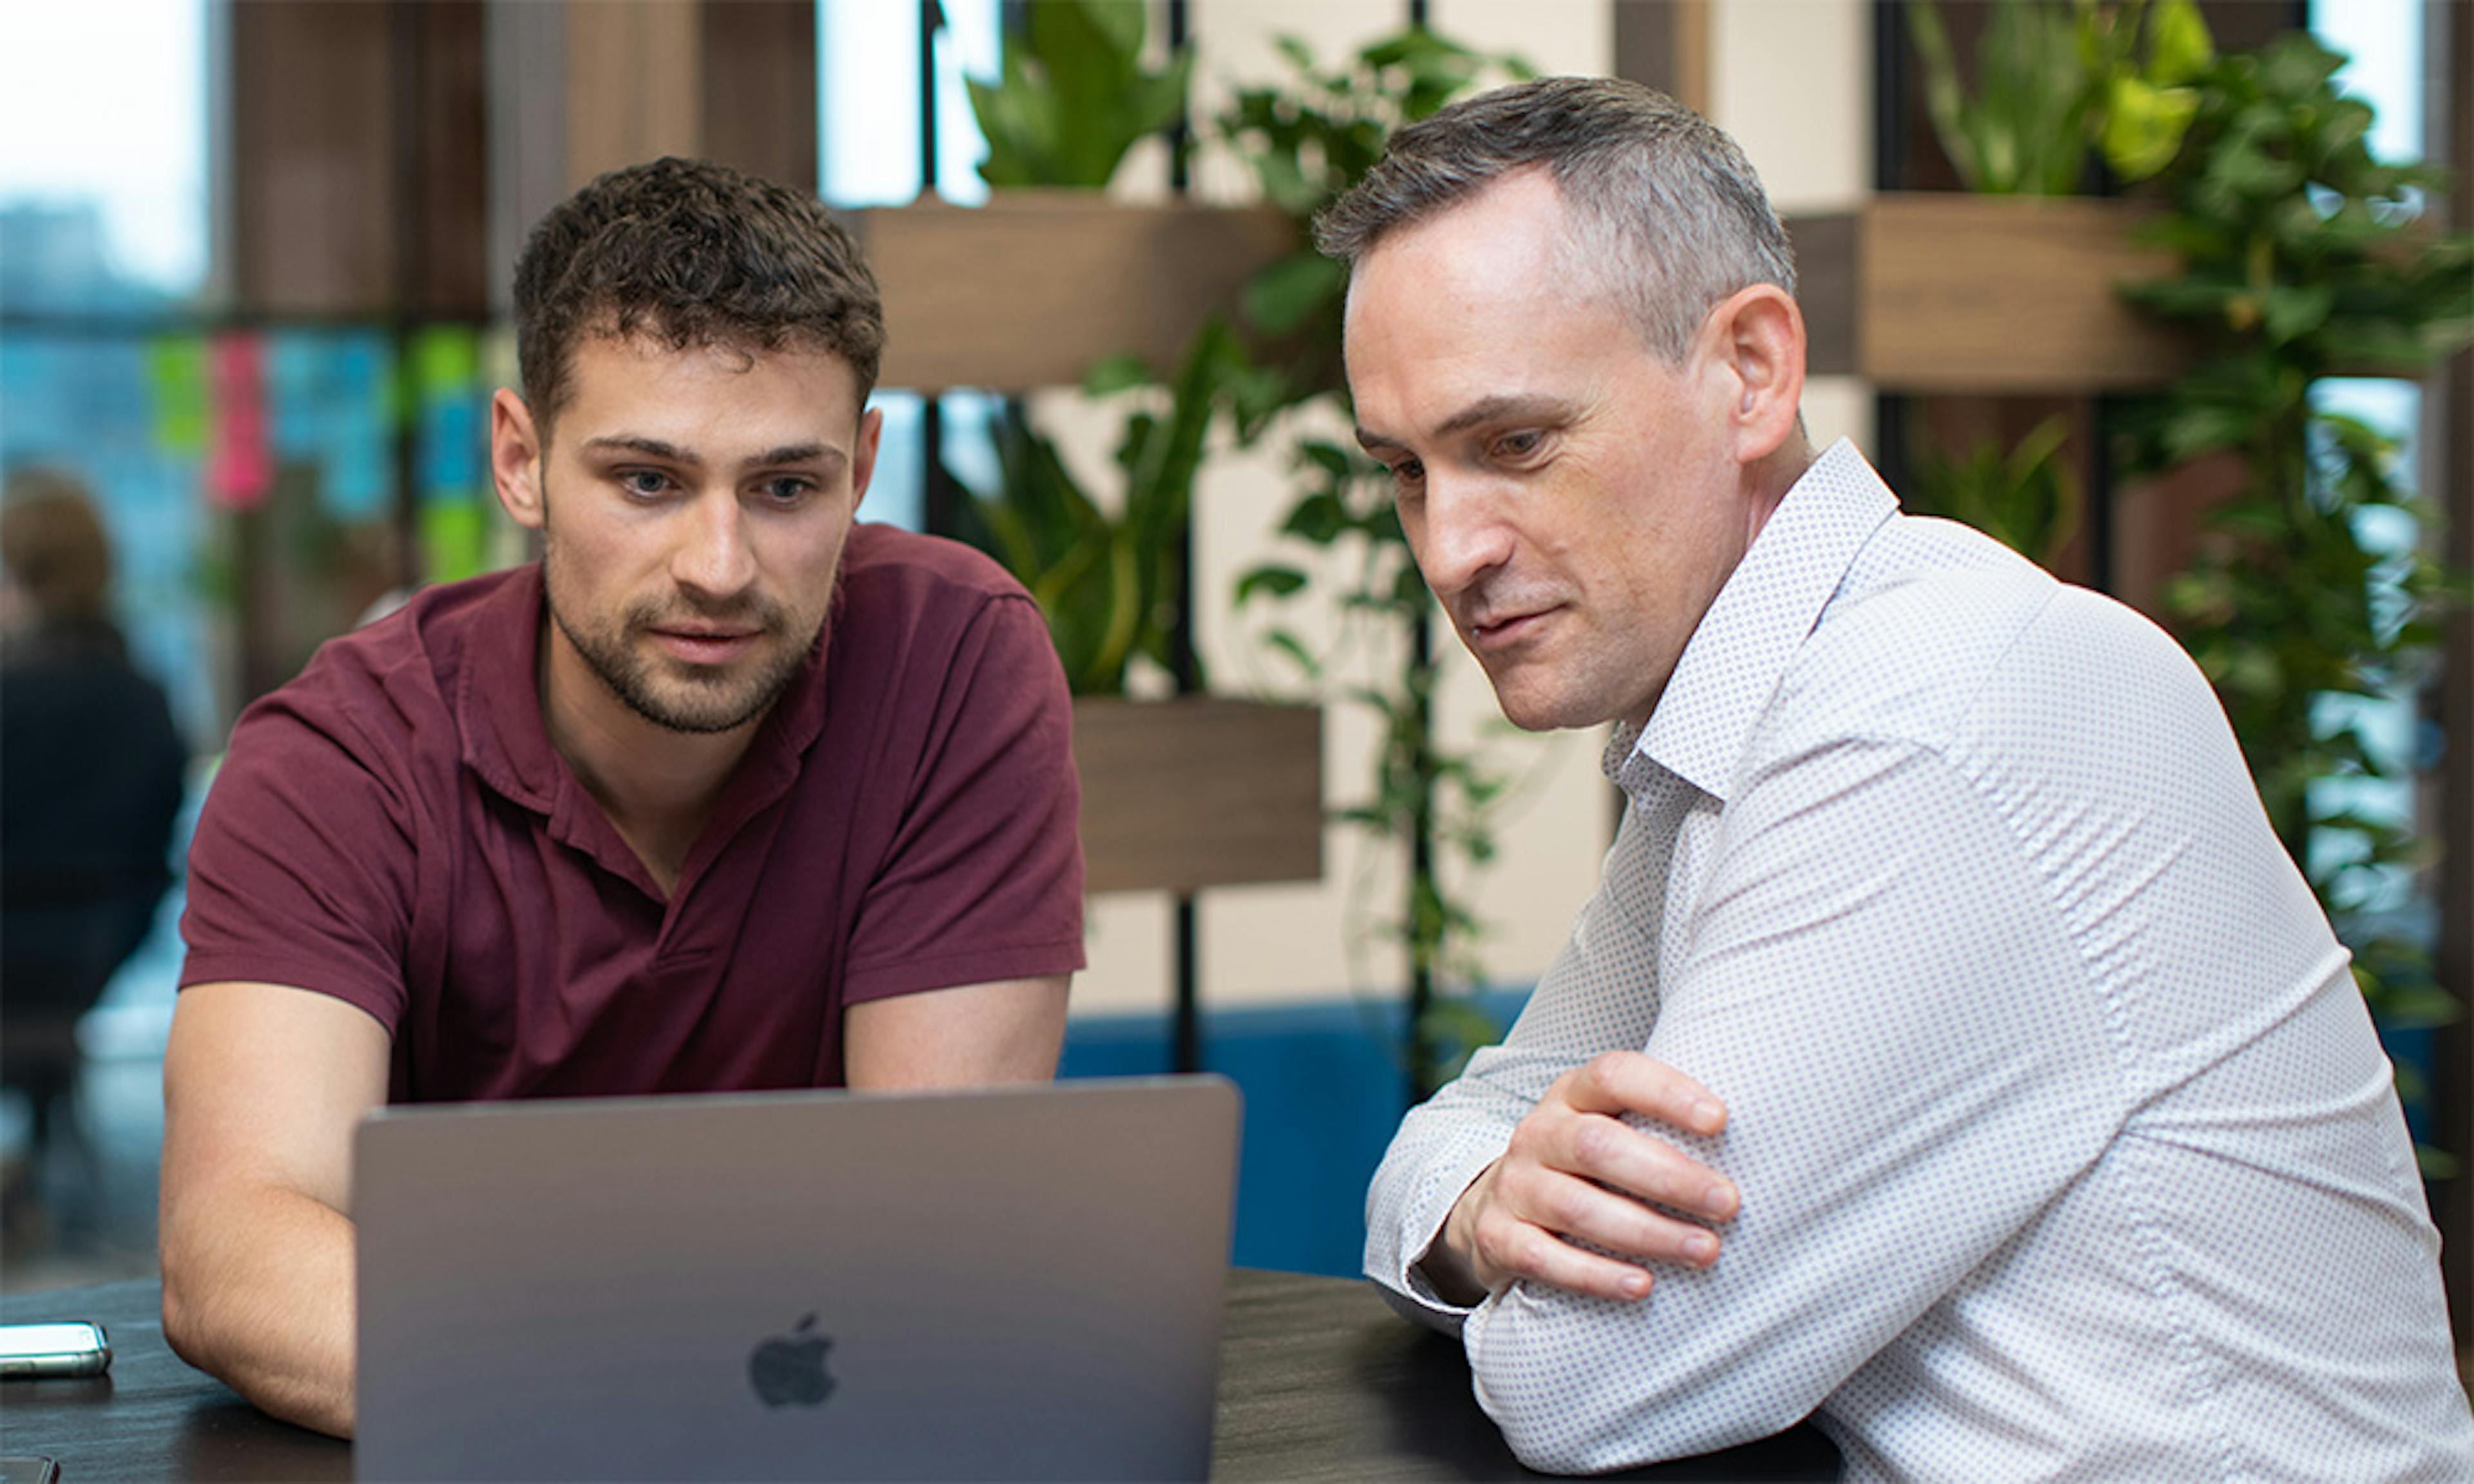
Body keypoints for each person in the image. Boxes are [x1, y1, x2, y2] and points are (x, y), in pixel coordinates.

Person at [1335, 77, 2473, 1479]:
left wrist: (1488, 1219)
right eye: (1406, 472)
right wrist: (1480, 1205)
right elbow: (1464, 1131)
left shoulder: (1918, 716)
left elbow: (1587, 1382)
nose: (1451, 550)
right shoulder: (1748, 716)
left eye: (1514, 444)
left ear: (1750, 370)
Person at [158, 157, 1086, 1439]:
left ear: (863, 468)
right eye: (648, 481)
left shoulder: (954, 663)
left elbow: (929, 1245)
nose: (719, 568)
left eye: (785, 487)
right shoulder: (336, 758)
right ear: (521, 460)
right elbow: (234, 1258)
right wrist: (659, 1391)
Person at [0, 470, 189, 1208]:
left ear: (20, 574)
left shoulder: (9, 696)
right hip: (94, 959)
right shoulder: (144, 698)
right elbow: (159, 841)